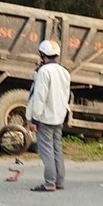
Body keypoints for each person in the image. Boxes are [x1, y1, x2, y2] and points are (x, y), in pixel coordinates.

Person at [26, 40, 71, 192]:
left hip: (44, 117)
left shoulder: (44, 72)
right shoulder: (64, 71)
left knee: (46, 151)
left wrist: (34, 119)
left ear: (42, 55)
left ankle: (49, 182)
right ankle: (59, 181)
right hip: (58, 116)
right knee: (57, 149)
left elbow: (40, 96)